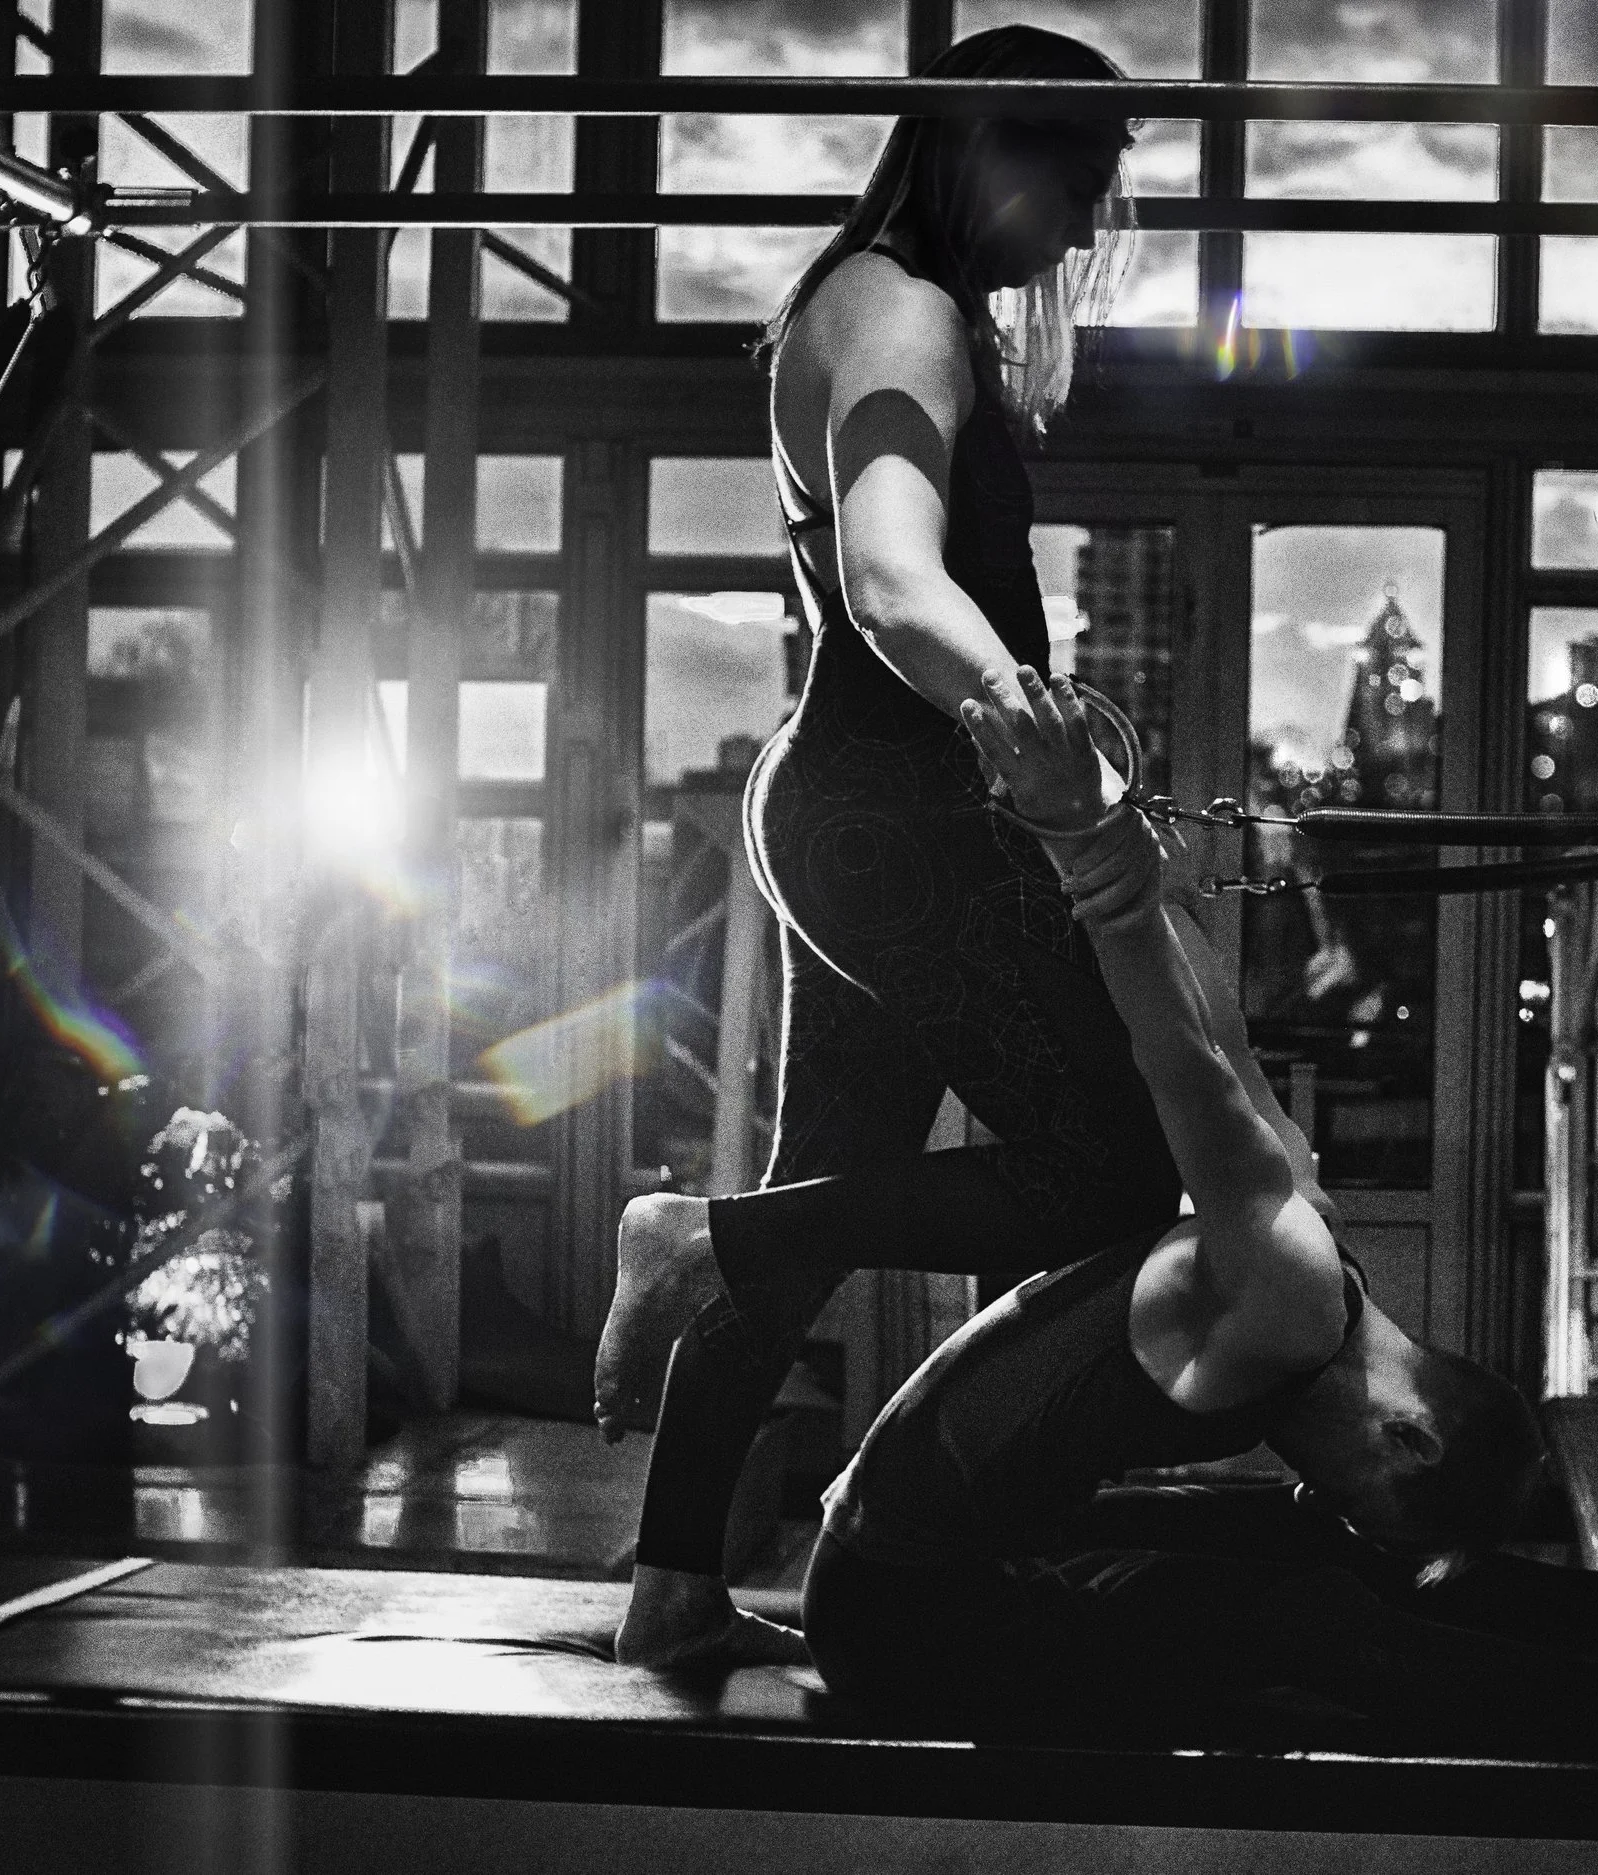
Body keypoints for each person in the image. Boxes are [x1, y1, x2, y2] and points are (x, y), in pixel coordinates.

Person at [627, 663, 1598, 1768]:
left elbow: (1212, 1020)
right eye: (1368, 1495)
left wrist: (1132, 867)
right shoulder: (1278, 1281)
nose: (1341, 1496)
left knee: (1310, 1548)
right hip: (904, 1618)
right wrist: (1085, 841)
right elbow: (1187, 1063)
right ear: (1408, 1435)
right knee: (1306, 1610)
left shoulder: (1306, 1233)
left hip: (928, 1557)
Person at [592, 26, 1188, 1667]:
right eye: (1076, 181)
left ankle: (672, 1590)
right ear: (993, 149)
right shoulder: (905, 311)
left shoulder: (851, 298)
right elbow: (893, 577)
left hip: (856, 806)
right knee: (1128, 1179)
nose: (1081, 227)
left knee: (822, 1191)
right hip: (903, 817)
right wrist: (1034, 727)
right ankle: (691, 1237)